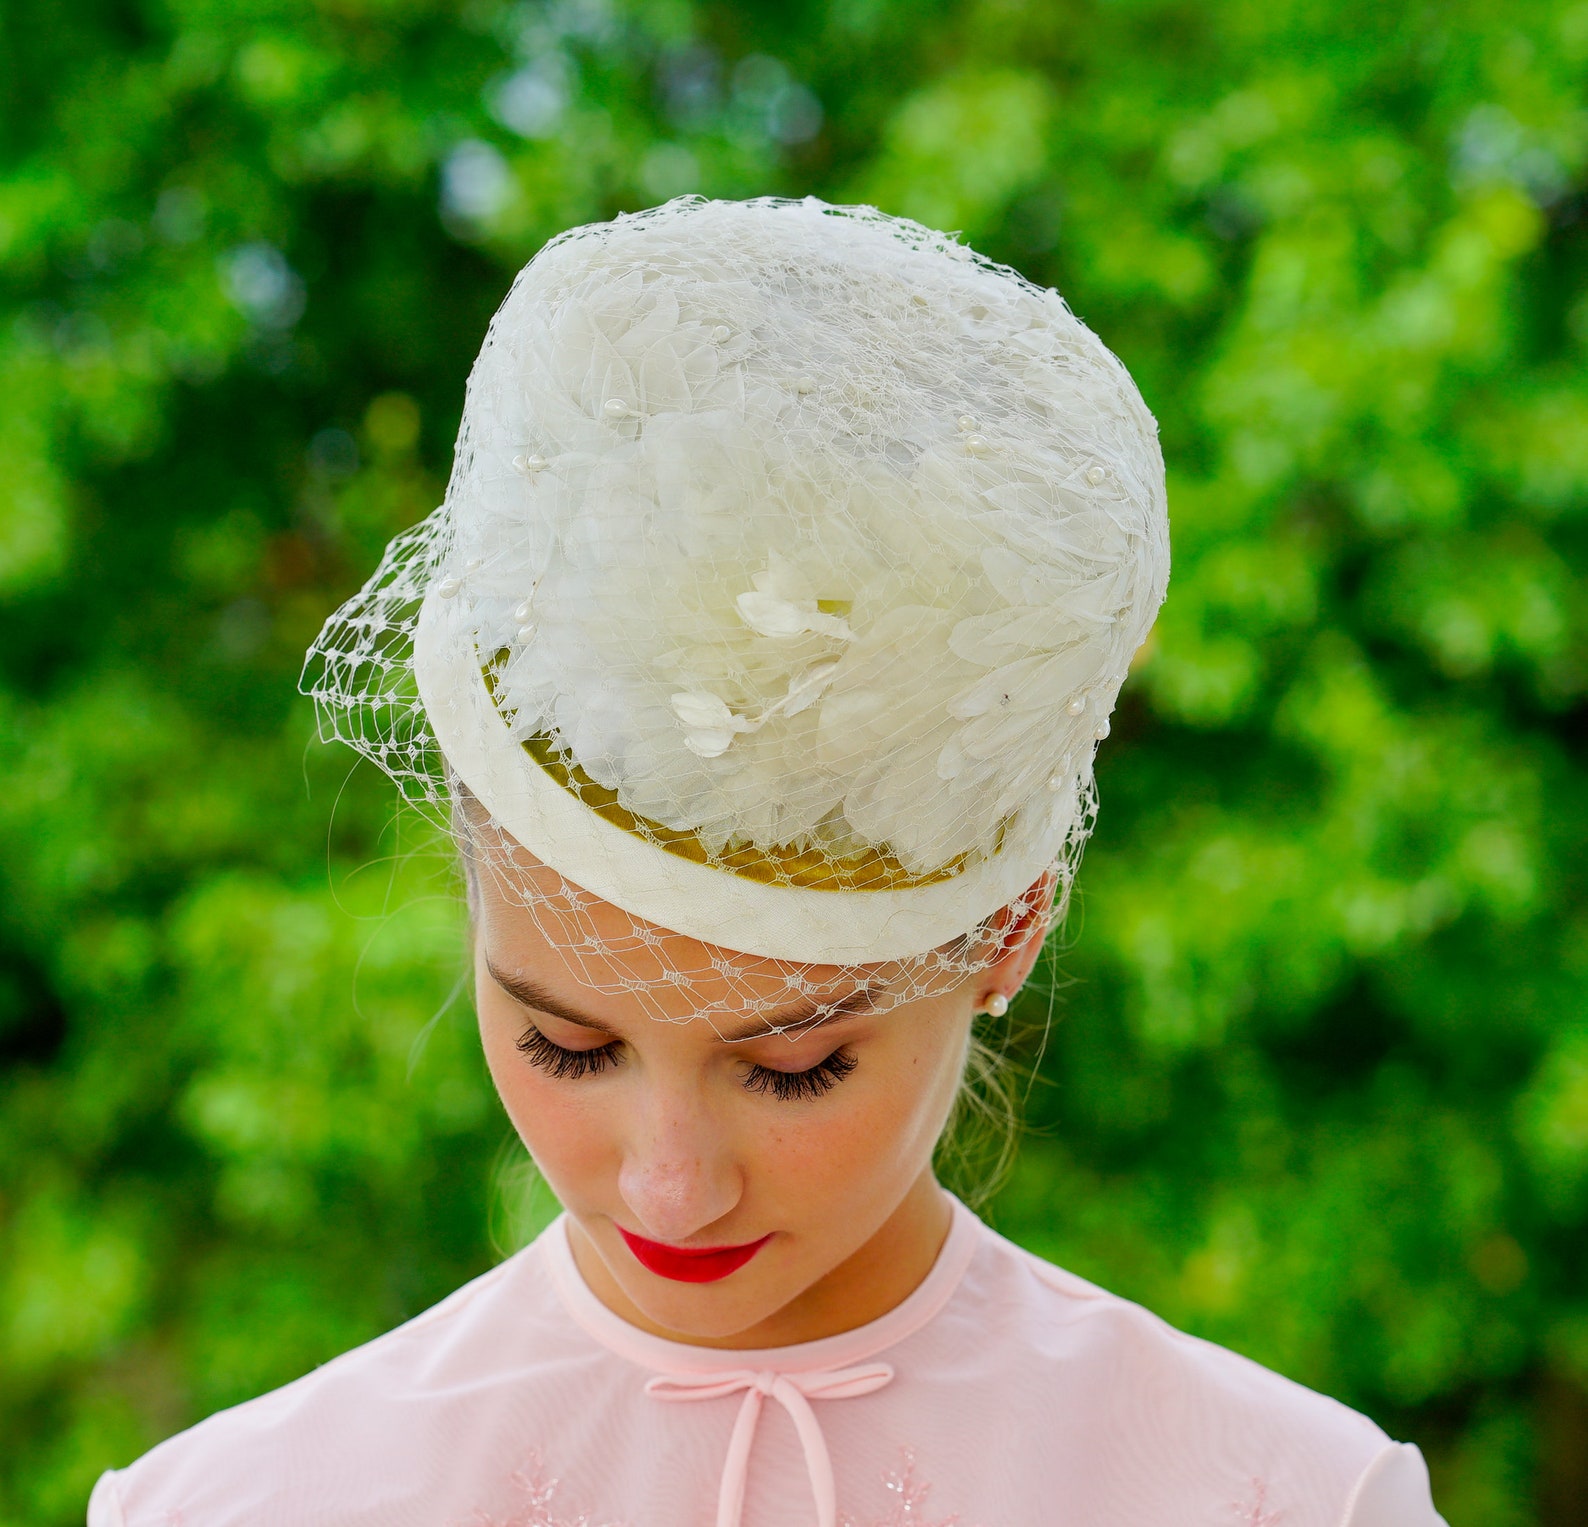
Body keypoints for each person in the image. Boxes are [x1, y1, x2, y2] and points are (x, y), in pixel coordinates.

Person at [88, 196, 1446, 1527]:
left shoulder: (1284, 1499)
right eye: (566, 1045)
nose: (670, 1185)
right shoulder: (242, 1503)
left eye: (794, 1068)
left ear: (1013, 930)